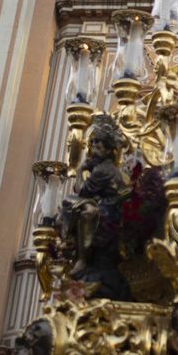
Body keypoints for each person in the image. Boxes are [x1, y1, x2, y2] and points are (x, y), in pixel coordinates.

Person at [58, 117, 131, 300]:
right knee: (73, 203)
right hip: (106, 205)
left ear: (108, 150)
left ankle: (82, 258)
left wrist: (81, 168)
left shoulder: (103, 170)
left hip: (111, 210)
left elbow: (82, 190)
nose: (94, 150)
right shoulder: (103, 168)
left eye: (99, 146)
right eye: (93, 145)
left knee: (82, 209)